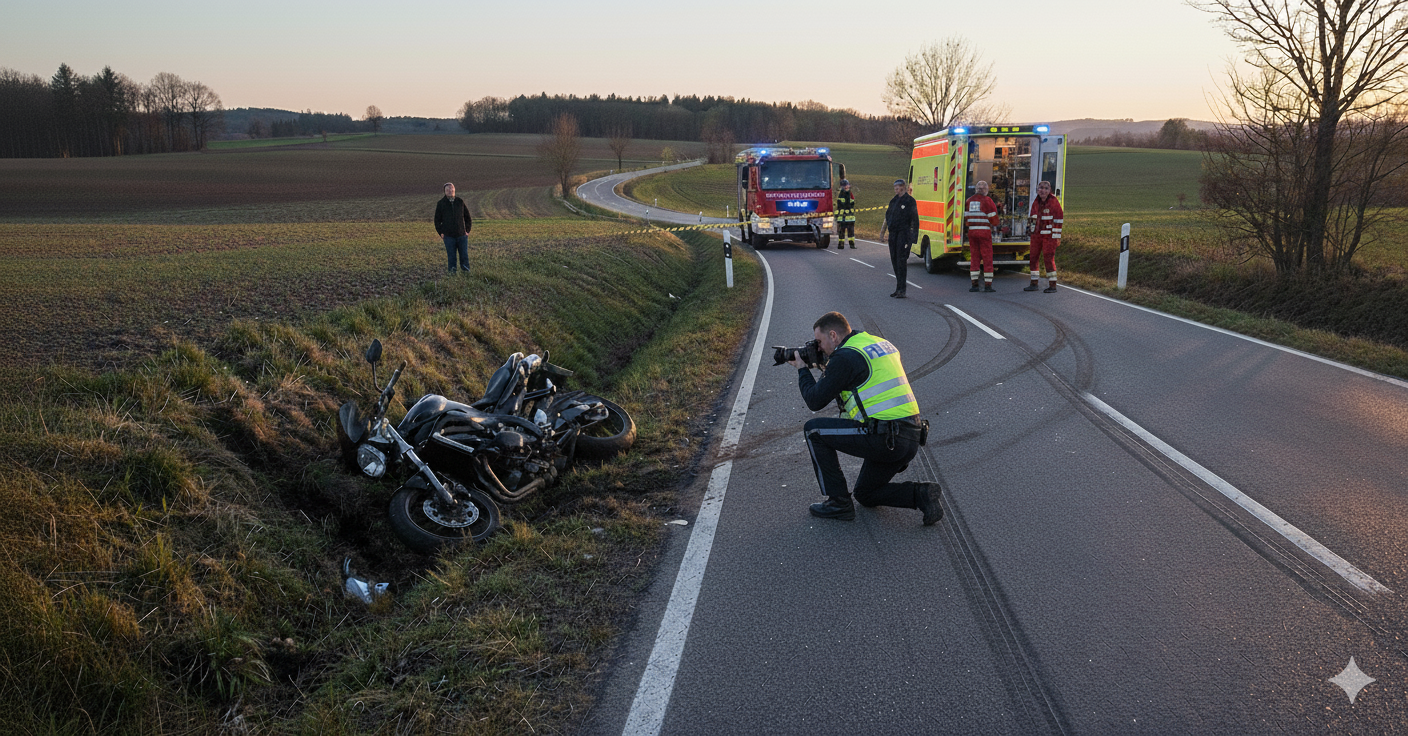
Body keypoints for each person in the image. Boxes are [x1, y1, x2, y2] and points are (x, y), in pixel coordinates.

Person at [787, 311, 942, 525]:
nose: (819, 348)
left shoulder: (844, 357)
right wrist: (826, 367)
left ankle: (838, 503)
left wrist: (802, 370)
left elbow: (815, 401)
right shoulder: (877, 343)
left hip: (884, 437)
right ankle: (921, 495)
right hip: (910, 437)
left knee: (814, 430)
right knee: (865, 494)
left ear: (833, 335)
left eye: (819, 342)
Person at [878, 179, 919, 298]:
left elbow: (914, 220)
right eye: (895, 188)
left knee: (901, 261)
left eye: (898, 188)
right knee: (894, 261)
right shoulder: (893, 201)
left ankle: (902, 289)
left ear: (903, 188)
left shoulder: (910, 201)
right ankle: (898, 287)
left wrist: (912, 237)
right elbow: (887, 216)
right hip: (893, 234)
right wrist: (883, 232)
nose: (896, 190)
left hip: (903, 234)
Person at [1024, 180, 1064, 293]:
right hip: (1036, 236)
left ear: (1049, 190)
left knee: (1048, 259)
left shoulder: (1054, 202)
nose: (1043, 190)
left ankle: (1052, 285)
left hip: (1049, 237)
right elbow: (1032, 218)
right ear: (1037, 190)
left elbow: (1058, 220)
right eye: (1040, 188)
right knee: (1033, 258)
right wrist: (1031, 231)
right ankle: (1034, 283)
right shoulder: (1036, 202)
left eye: (1046, 188)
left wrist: (1056, 237)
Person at [965, 180, 1000, 292]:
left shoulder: (969, 201)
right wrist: (997, 225)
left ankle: (974, 284)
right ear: (985, 190)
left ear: (976, 189)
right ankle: (988, 285)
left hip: (972, 233)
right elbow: (994, 219)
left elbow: (966, 218)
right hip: (984, 233)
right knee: (987, 257)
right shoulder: (988, 201)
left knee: (974, 257)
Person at [434, 182, 473, 275]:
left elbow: (467, 217)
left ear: (454, 190)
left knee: (464, 256)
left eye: (452, 189)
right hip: (448, 236)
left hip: (461, 235)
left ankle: (466, 274)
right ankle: (452, 275)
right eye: (448, 190)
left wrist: (467, 230)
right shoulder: (441, 204)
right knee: (451, 257)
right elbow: (437, 220)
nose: (450, 191)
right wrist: (441, 233)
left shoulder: (460, 202)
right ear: (445, 191)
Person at [835, 179, 857, 249]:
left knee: (851, 233)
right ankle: (841, 245)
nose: (846, 187)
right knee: (842, 232)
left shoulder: (850, 194)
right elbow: (841, 205)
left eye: (847, 185)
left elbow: (852, 203)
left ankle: (852, 244)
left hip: (850, 218)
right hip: (842, 218)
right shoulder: (841, 194)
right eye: (845, 185)